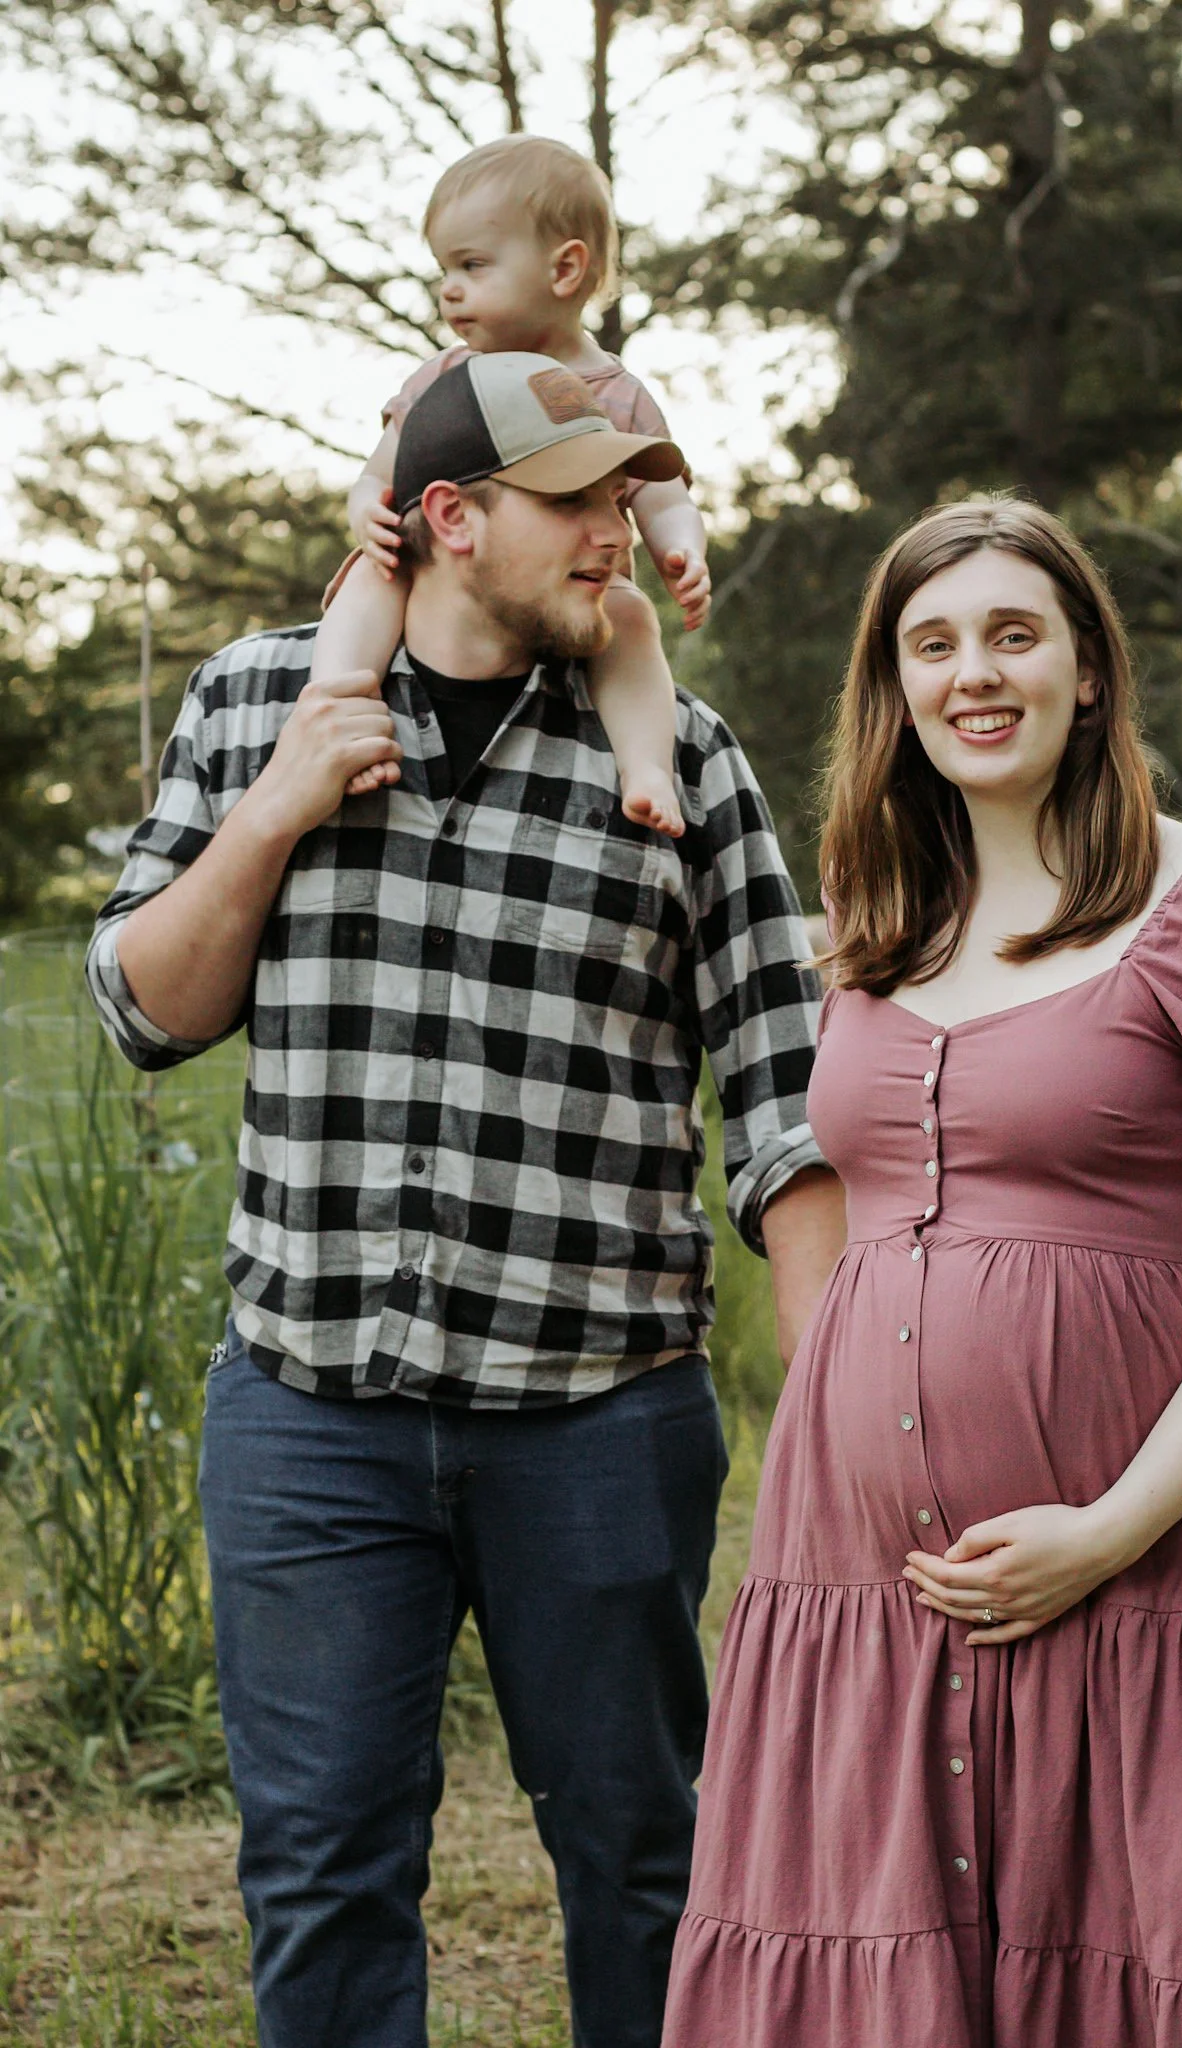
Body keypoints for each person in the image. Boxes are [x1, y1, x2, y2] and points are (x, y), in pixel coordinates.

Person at [85, 352, 845, 2048]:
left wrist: (839, 1387)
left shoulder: (685, 765)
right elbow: (147, 1005)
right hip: (310, 1413)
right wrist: (280, 804)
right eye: (578, 503)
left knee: (645, 1858)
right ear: (450, 518)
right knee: (325, 1862)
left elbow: (787, 1094)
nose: (618, 537)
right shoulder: (254, 700)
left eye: (628, 499)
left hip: (601, 1417)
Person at [662, 496, 1182, 2047]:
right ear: (893, 690)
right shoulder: (873, 921)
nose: (972, 674)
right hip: (860, 1593)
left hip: (1155, 1571)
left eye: (1011, 634)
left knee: (1119, 1971)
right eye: (931, 644)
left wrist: (1105, 1531)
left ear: (1086, 671)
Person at [315, 132, 709, 839]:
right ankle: (337, 706)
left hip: (582, 594)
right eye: (445, 268)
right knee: (370, 579)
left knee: (634, 621)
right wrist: (363, 511)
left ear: (564, 269)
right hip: (439, 579)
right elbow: (378, 473)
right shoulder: (444, 380)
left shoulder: (616, 394)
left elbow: (665, 496)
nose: (449, 288)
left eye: (472, 264)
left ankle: (646, 765)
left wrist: (682, 552)